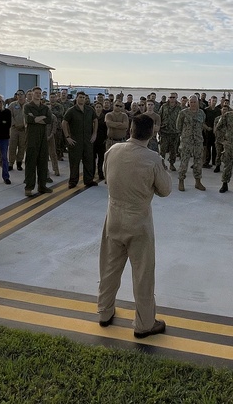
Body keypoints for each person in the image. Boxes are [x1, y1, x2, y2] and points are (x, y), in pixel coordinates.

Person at [96, 113, 171, 339]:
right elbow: (165, 190)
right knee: (142, 274)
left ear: (130, 129)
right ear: (152, 133)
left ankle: (104, 312)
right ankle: (144, 323)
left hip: (114, 217)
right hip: (139, 222)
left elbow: (106, 177)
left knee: (109, 267)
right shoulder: (152, 158)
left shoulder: (113, 151)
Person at [62, 92, 98, 188]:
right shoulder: (72, 111)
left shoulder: (90, 110)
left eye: (83, 97)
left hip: (87, 141)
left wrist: (94, 133)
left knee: (88, 161)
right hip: (75, 141)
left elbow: (95, 120)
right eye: (80, 97)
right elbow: (64, 122)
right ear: (76, 98)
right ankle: (73, 181)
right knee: (74, 162)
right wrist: (67, 137)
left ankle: (88, 180)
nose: (82, 99)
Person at [23, 87, 53, 197]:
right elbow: (28, 120)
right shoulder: (27, 106)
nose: (38, 95)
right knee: (31, 161)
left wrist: (36, 118)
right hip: (31, 136)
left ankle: (42, 186)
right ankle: (29, 187)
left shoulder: (45, 107)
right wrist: (40, 118)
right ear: (32, 94)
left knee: (43, 162)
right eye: (36, 93)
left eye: (40, 93)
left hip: (43, 137)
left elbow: (49, 120)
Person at [176, 95, 206, 191]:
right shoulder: (183, 113)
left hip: (198, 141)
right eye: (191, 102)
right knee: (184, 162)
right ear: (189, 102)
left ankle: (198, 182)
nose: (193, 104)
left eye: (194, 102)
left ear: (198, 102)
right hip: (186, 141)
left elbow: (202, 125)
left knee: (198, 162)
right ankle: (181, 181)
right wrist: (184, 135)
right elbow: (178, 126)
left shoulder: (201, 113)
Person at [158, 93, 182, 171]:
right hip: (164, 131)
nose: (172, 99)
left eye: (173, 97)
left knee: (173, 150)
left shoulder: (179, 107)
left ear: (176, 98)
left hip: (175, 132)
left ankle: (172, 164)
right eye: (170, 97)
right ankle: (162, 164)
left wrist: (180, 130)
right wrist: (159, 128)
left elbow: (182, 119)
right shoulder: (163, 106)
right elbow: (159, 117)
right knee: (163, 149)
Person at [7, 90, 28, 171]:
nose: (19, 96)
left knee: (22, 147)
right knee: (12, 146)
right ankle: (11, 163)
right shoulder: (12, 105)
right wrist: (14, 124)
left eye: (21, 94)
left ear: (24, 95)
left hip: (24, 129)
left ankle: (19, 163)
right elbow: (9, 115)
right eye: (18, 94)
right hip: (14, 129)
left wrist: (24, 125)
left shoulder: (28, 105)